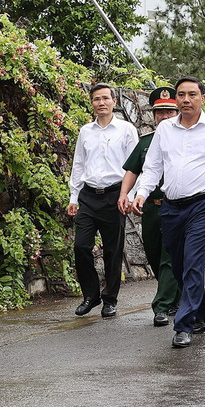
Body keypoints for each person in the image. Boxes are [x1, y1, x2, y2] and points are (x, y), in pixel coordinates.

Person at [133, 77, 205, 348]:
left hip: (202, 205)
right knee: (177, 266)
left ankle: (184, 324)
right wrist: (141, 194)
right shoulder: (165, 129)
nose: (186, 99)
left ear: (202, 98)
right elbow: (152, 167)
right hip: (170, 206)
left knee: (192, 263)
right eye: (181, 95)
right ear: (176, 99)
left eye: (192, 94)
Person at [67, 84, 138, 319]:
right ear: (92, 103)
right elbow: (78, 164)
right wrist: (74, 197)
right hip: (88, 195)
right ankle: (90, 296)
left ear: (114, 101)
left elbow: (135, 166)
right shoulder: (85, 131)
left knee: (112, 250)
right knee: (81, 246)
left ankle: (110, 299)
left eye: (105, 98)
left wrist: (129, 195)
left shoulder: (126, 130)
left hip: (115, 194)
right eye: (96, 99)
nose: (101, 103)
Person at [118, 87, 180, 327]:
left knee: (169, 257)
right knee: (155, 256)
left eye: (169, 111)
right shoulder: (146, 142)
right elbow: (133, 170)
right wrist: (125, 194)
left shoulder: (185, 138)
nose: (164, 116)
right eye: (160, 112)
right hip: (151, 208)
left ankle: (162, 306)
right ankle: (177, 296)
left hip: (176, 207)